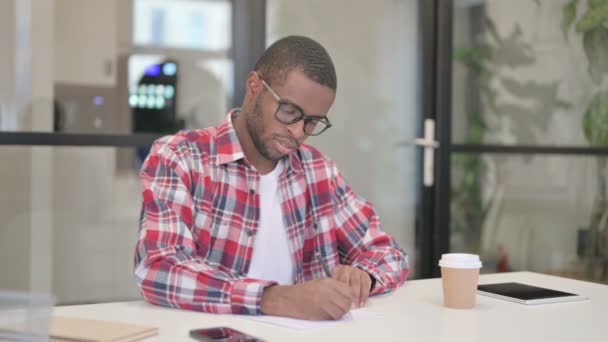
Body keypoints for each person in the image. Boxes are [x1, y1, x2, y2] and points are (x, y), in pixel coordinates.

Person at [134, 36, 409, 321]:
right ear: (254, 86)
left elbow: (388, 252)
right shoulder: (181, 158)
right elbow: (158, 267)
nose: (299, 132)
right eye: (290, 112)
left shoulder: (319, 171)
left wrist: (363, 276)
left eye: (313, 121)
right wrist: (275, 298)